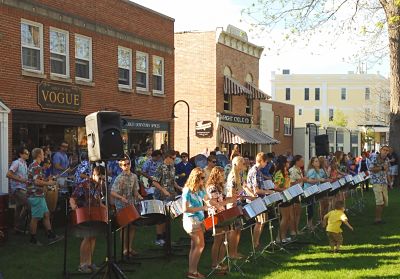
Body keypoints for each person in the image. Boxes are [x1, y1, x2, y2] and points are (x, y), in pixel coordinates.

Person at [70, 166, 106, 273]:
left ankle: (89, 263)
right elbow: (73, 197)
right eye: (100, 178)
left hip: (95, 214)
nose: (101, 180)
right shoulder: (84, 184)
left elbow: (98, 201)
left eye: (102, 179)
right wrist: (73, 206)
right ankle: (82, 265)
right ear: (94, 174)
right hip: (84, 213)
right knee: (87, 237)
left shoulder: (98, 186)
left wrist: (105, 208)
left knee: (93, 237)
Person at [27, 148, 61, 245]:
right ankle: (33, 239)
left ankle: (50, 235)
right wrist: (49, 182)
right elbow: (37, 182)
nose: (44, 155)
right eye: (42, 154)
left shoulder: (35, 166)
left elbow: (38, 179)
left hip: (38, 195)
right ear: (38, 155)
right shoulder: (36, 166)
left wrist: (48, 179)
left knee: (46, 214)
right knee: (36, 218)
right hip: (36, 195)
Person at [111, 156, 142, 257]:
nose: (127, 166)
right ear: (121, 166)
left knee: (133, 226)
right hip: (121, 205)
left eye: (128, 164)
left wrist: (139, 195)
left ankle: (130, 248)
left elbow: (135, 190)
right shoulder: (119, 178)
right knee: (124, 227)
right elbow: (112, 192)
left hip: (131, 203)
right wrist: (121, 198)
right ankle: (124, 249)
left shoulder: (134, 176)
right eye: (125, 165)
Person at [206, 166, 235, 275]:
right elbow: (215, 203)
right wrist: (229, 201)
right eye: (222, 175)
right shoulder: (212, 187)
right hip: (215, 216)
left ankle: (220, 262)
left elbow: (222, 200)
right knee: (218, 240)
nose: (223, 177)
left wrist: (232, 198)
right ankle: (214, 264)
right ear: (216, 175)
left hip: (223, 214)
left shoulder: (219, 187)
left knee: (224, 240)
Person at [182, 167, 210, 279]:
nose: (204, 179)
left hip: (199, 221)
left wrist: (217, 204)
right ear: (196, 178)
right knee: (200, 245)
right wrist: (202, 208)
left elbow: (207, 199)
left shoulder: (200, 189)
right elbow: (185, 209)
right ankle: (193, 272)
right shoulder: (187, 190)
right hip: (191, 221)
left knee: (194, 246)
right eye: (202, 177)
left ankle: (192, 271)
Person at [152, 150, 182, 246]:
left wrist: (179, 187)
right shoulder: (160, 167)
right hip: (160, 196)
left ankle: (166, 239)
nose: (174, 160)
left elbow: (172, 181)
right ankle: (159, 239)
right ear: (167, 158)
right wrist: (163, 190)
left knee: (167, 218)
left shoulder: (172, 167)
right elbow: (154, 182)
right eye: (173, 158)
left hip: (170, 195)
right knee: (160, 218)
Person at [247, 152, 273, 249]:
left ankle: (257, 243)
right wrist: (268, 192)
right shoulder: (255, 171)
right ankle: (255, 244)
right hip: (256, 199)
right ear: (261, 161)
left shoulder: (258, 171)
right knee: (259, 222)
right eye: (265, 162)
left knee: (262, 221)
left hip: (260, 199)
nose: (266, 164)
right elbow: (256, 190)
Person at [226, 156, 246, 259]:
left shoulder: (239, 175)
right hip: (233, 205)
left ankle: (235, 251)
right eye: (242, 163)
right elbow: (231, 193)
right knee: (233, 230)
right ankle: (231, 253)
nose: (244, 164)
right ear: (237, 164)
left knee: (238, 229)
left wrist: (243, 194)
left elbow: (240, 190)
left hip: (238, 204)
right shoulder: (233, 176)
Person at [7, 146, 30, 234]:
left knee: (19, 208)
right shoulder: (16, 163)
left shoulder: (25, 163)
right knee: (30, 205)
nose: (28, 154)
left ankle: (16, 228)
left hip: (23, 188)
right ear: (21, 154)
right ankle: (21, 225)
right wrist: (21, 180)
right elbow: (8, 174)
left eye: (28, 153)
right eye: (26, 153)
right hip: (18, 189)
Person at [273, 155, 294, 242]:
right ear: (284, 163)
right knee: (285, 218)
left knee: (288, 217)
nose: (289, 163)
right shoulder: (279, 173)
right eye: (287, 162)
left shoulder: (285, 171)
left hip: (288, 196)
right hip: (282, 197)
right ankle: (279, 237)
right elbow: (275, 187)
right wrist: (284, 189)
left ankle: (284, 236)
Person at [304, 157, 329, 229]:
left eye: (318, 161)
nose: (318, 162)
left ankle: (311, 223)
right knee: (310, 208)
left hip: (314, 191)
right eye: (316, 161)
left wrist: (325, 180)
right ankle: (309, 224)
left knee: (312, 207)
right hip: (309, 190)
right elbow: (309, 181)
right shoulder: (312, 171)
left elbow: (321, 179)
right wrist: (319, 179)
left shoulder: (318, 170)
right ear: (312, 163)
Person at [368, 145, 390, 224]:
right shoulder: (374, 158)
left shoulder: (387, 159)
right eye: (384, 150)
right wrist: (381, 168)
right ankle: (377, 219)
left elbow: (387, 172)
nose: (385, 152)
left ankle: (379, 217)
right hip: (376, 182)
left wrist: (389, 183)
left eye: (387, 151)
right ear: (381, 150)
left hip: (384, 182)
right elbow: (370, 169)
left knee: (385, 201)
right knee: (379, 201)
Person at [288, 155, 307, 235]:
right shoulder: (292, 170)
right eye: (301, 161)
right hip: (293, 192)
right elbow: (291, 183)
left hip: (298, 191)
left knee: (298, 212)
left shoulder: (299, 169)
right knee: (294, 213)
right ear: (297, 161)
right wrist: (302, 179)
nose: (303, 162)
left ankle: (296, 229)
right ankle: (292, 230)